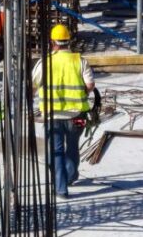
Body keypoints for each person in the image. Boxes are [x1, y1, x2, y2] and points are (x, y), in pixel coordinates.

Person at [32, 23, 95, 199]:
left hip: (53, 116)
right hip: (77, 114)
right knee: (73, 146)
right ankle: (71, 175)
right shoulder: (79, 61)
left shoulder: (44, 62)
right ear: (68, 41)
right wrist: (81, 93)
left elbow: (33, 86)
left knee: (57, 151)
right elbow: (90, 85)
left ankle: (61, 188)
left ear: (53, 42)